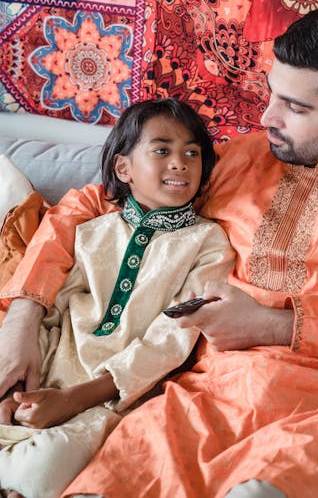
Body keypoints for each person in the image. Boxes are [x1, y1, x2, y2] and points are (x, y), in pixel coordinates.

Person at [0, 9, 318, 498]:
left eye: (296, 107)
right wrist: (22, 320)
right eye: (272, 93)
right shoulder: (240, 159)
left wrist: (276, 325)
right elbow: (95, 203)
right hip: (201, 400)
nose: (268, 116)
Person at [0, 99, 233, 498]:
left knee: (44, 468)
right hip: (45, 376)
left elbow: (171, 340)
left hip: (110, 398)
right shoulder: (93, 230)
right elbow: (54, 314)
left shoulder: (209, 243)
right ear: (123, 169)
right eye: (162, 150)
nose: (180, 162)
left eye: (191, 152)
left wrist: (74, 399)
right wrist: (10, 391)